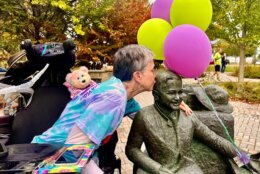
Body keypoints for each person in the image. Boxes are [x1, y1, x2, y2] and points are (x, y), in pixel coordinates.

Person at [126, 70, 238, 174]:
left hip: (186, 169)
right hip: (156, 169)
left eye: (180, 92)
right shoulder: (144, 116)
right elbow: (132, 149)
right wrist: (156, 168)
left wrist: (243, 156)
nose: (178, 98)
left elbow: (214, 139)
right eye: (171, 93)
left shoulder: (188, 116)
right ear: (156, 95)